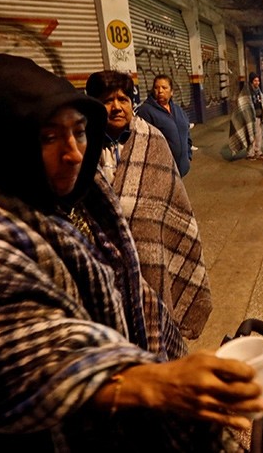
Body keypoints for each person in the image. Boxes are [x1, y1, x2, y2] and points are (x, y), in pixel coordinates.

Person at [0, 55, 263, 451]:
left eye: (79, 133)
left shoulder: (72, 196)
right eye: (49, 138)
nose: (73, 154)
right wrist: (146, 381)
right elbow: (25, 350)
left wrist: (165, 359)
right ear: (5, 141)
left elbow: (125, 283)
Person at [86, 70, 212, 340]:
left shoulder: (152, 140)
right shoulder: (80, 145)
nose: (117, 106)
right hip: (101, 266)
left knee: (154, 327)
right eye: (107, 100)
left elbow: (174, 204)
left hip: (149, 254)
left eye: (123, 99)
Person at [136, 74, 193, 176]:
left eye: (164, 87)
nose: (160, 91)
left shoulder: (178, 110)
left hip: (181, 169)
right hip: (162, 171)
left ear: (171, 92)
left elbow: (187, 133)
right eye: (156, 88)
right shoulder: (146, 111)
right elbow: (142, 143)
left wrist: (188, 156)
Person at [228, 72, 263, 159]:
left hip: (259, 117)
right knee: (250, 135)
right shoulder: (246, 92)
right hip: (250, 118)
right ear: (251, 81)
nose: (257, 83)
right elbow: (242, 104)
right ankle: (250, 154)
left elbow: (262, 102)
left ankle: (258, 151)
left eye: (258, 81)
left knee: (258, 136)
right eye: (255, 81)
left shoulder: (258, 91)